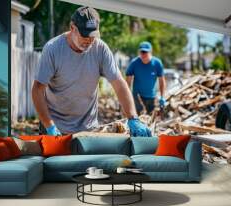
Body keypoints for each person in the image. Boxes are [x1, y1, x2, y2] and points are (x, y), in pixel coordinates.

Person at [31, 6, 151, 137]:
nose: (89, 40)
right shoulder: (53, 49)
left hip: (87, 129)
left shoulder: (100, 49)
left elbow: (119, 84)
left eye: (93, 36)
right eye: (84, 35)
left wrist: (133, 118)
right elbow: (37, 89)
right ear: (72, 28)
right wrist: (49, 126)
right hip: (55, 129)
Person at [125, 42, 166, 115]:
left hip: (151, 96)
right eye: (141, 52)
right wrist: (127, 95)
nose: (143, 54)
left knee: (150, 116)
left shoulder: (157, 63)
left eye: (145, 52)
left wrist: (162, 97)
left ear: (150, 52)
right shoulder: (134, 63)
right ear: (139, 52)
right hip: (137, 96)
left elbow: (162, 81)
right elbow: (128, 80)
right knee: (137, 116)